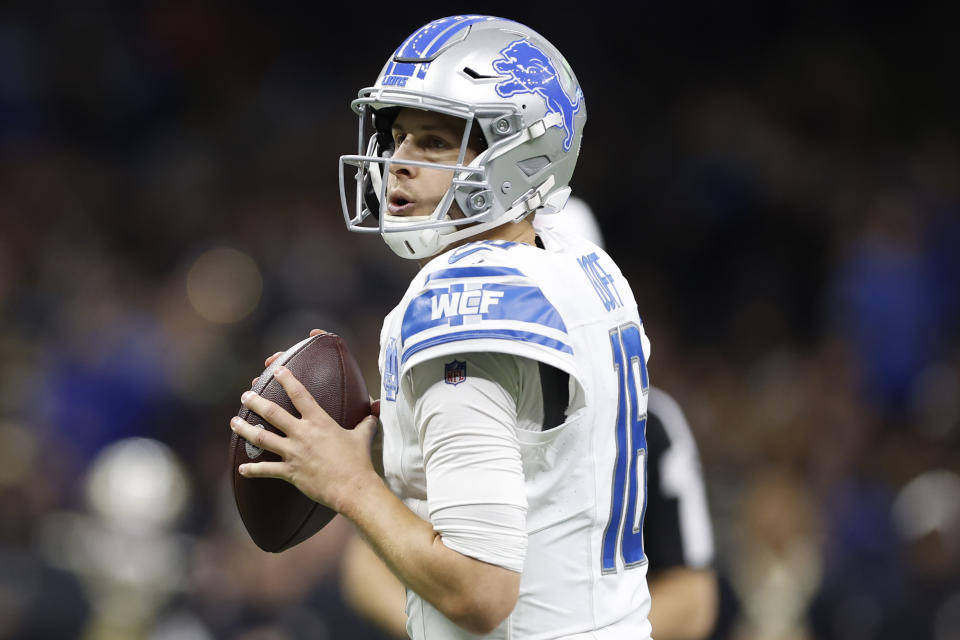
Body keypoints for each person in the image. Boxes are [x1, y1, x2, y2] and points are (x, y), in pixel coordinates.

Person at [231, 15, 653, 638]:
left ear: (520, 154)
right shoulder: (579, 261)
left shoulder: (464, 302)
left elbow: (479, 590)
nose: (397, 163)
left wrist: (350, 483)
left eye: (434, 142)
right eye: (398, 137)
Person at [340, 198, 719, 640]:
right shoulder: (614, 358)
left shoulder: (656, 422)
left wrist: (349, 483)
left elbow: (477, 593)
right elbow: (367, 564)